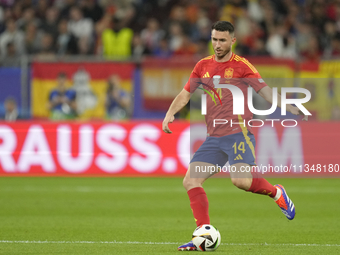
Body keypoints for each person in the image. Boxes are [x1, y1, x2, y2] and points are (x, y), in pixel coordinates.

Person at [162, 21, 306, 251]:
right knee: (190, 180)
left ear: (232, 41)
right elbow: (185, 93)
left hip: (239, 134)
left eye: (222, 40)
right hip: (214, 138)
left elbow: (265, 91)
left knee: (240, 181)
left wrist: (289, 105)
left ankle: (277, 192)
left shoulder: (242, 66)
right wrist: (170, 113)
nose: (217, 44)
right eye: (214, 39)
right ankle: (202, 233)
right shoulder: (202, 66)